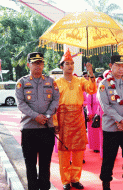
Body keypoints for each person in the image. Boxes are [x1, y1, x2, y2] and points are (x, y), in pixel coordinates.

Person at [53, 48, 97, 190]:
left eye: (72, 63)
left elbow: (92, 90)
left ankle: (75, 179)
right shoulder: (57, 82)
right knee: (64, 152)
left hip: (78, 117)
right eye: (67, 63)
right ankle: (65, 180)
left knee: (78, 151)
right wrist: (55, 123)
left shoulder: (80, 81)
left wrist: (90, 72)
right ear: (61, 66)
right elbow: (53, 105)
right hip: (63, 118)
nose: (70, 66)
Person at [15, 52, 60, 190]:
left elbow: (56, 100)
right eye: (34, 63)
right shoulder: (22, 82)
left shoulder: (51, 82)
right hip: (29, 129)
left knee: (45, 164)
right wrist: (36, 116)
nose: (38, 66)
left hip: (47, 128)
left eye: (40, 63)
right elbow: (20, 103)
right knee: (30, 164)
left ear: (43, 64)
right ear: (29, 65)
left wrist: (46, 115)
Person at [97, 55, 123, 190]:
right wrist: (120, 120)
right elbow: (105, 106)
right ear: (111, 66)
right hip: (111, 128)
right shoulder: (104, 84)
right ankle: (106, 185)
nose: (121, 69)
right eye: (118, 65)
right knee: (109, 158)